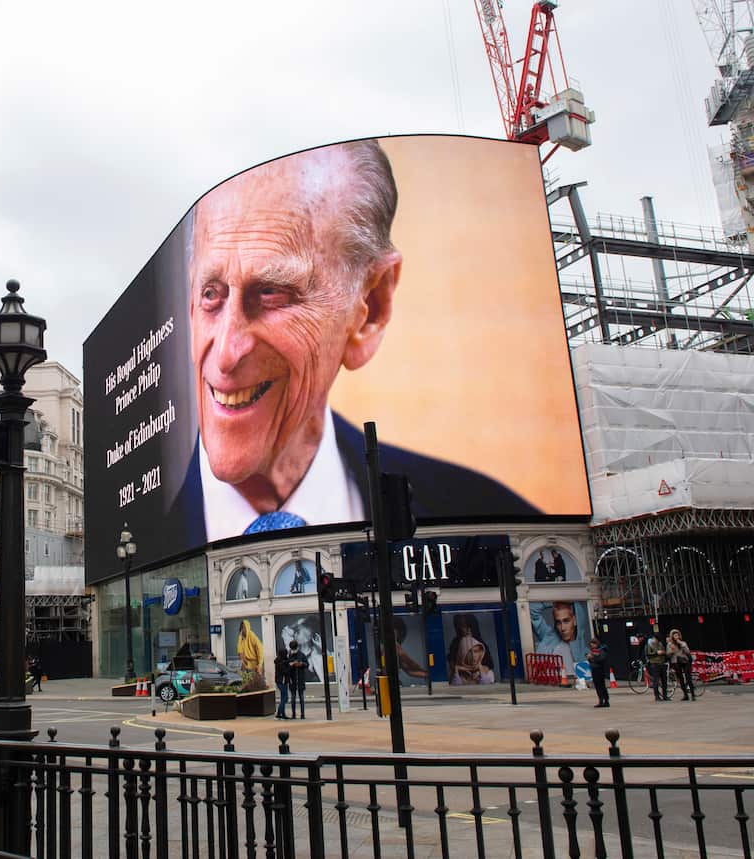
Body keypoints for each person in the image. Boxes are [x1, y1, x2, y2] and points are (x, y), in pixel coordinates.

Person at [176, 140, 539, 544]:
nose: (225, 354)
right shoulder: (145, 530)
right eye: (211, 294)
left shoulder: (487, 518)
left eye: (272, 293)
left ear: (370, 305)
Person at [531, 601, 589, 677]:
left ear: (575, 620)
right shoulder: (549, 637)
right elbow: (532, 609)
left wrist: (569, 599)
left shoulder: (584, 650)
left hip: (576, 686)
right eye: (558, 622)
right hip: (553, 686)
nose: (562, 628)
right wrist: (555, 601)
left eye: (566, 621)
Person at [667, 629, 695, 702]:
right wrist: (671, 651)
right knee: (680, 679)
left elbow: (687, 651)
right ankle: (685, 695)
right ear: (672, 636)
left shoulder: (683, 643)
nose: (676, 636)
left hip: (685, 661)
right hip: (676, 662)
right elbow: (668, 655)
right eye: (674, 635)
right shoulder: (670, 644)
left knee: (688, 678)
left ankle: (693, 695)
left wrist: (681, 644)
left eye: (677, 635)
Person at [237, 620, 264, 684]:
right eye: (242, 628)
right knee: (246, 682)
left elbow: (260, 649)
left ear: (247, 627)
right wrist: (242, 659)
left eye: (244, 627)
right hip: (246, 664)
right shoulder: (241, 637)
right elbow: (239, 649)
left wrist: (259, 664)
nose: (243, 630)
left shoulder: (252, 636)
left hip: (255, 665)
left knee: (256, 683)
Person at [644, 631, 668, 701]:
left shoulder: (660, 644)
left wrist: (663, 653)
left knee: (664, 680)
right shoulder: (649, 645)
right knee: (656, 681)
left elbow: (664, 652)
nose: (657, 641)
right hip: (654, 664)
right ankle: (657, 696)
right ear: (654, 638)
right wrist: (657, 653)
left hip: (662, 663)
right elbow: (648, 654)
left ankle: (665, 696)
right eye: (656, 639)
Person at [286, 640, 307, 719]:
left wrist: (301, 664)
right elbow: (286, 666)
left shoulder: (301, 655)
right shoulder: (289, 655)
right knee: (293, 697)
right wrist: (290, 665)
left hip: (300, 679)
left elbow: (306, 664)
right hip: (293, 679)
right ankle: (293, 714)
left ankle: (302, 714)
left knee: (301, 697)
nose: (293, 650)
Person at [587, 638, 610, 707]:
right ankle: (601, 700)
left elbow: (601, 659)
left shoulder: (602, 650)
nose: (592, 646)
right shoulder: (594, 651)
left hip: (599, 669)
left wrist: (593, 657)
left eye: (593, 645)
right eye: (591, 645)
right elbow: (592, 661)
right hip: (594, 669)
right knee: (597, 686)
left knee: (601, 686)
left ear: (596, 644)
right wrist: (589, 658)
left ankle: (604, 700)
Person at [273, 647, 291, 720]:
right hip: (282, 681)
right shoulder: (281, 662)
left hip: (281, 681)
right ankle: (279, 714)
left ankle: (282, 714)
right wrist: (290, 666)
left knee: (283, 697)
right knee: (285, 698)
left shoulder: (280, 660)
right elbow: (285, 671)